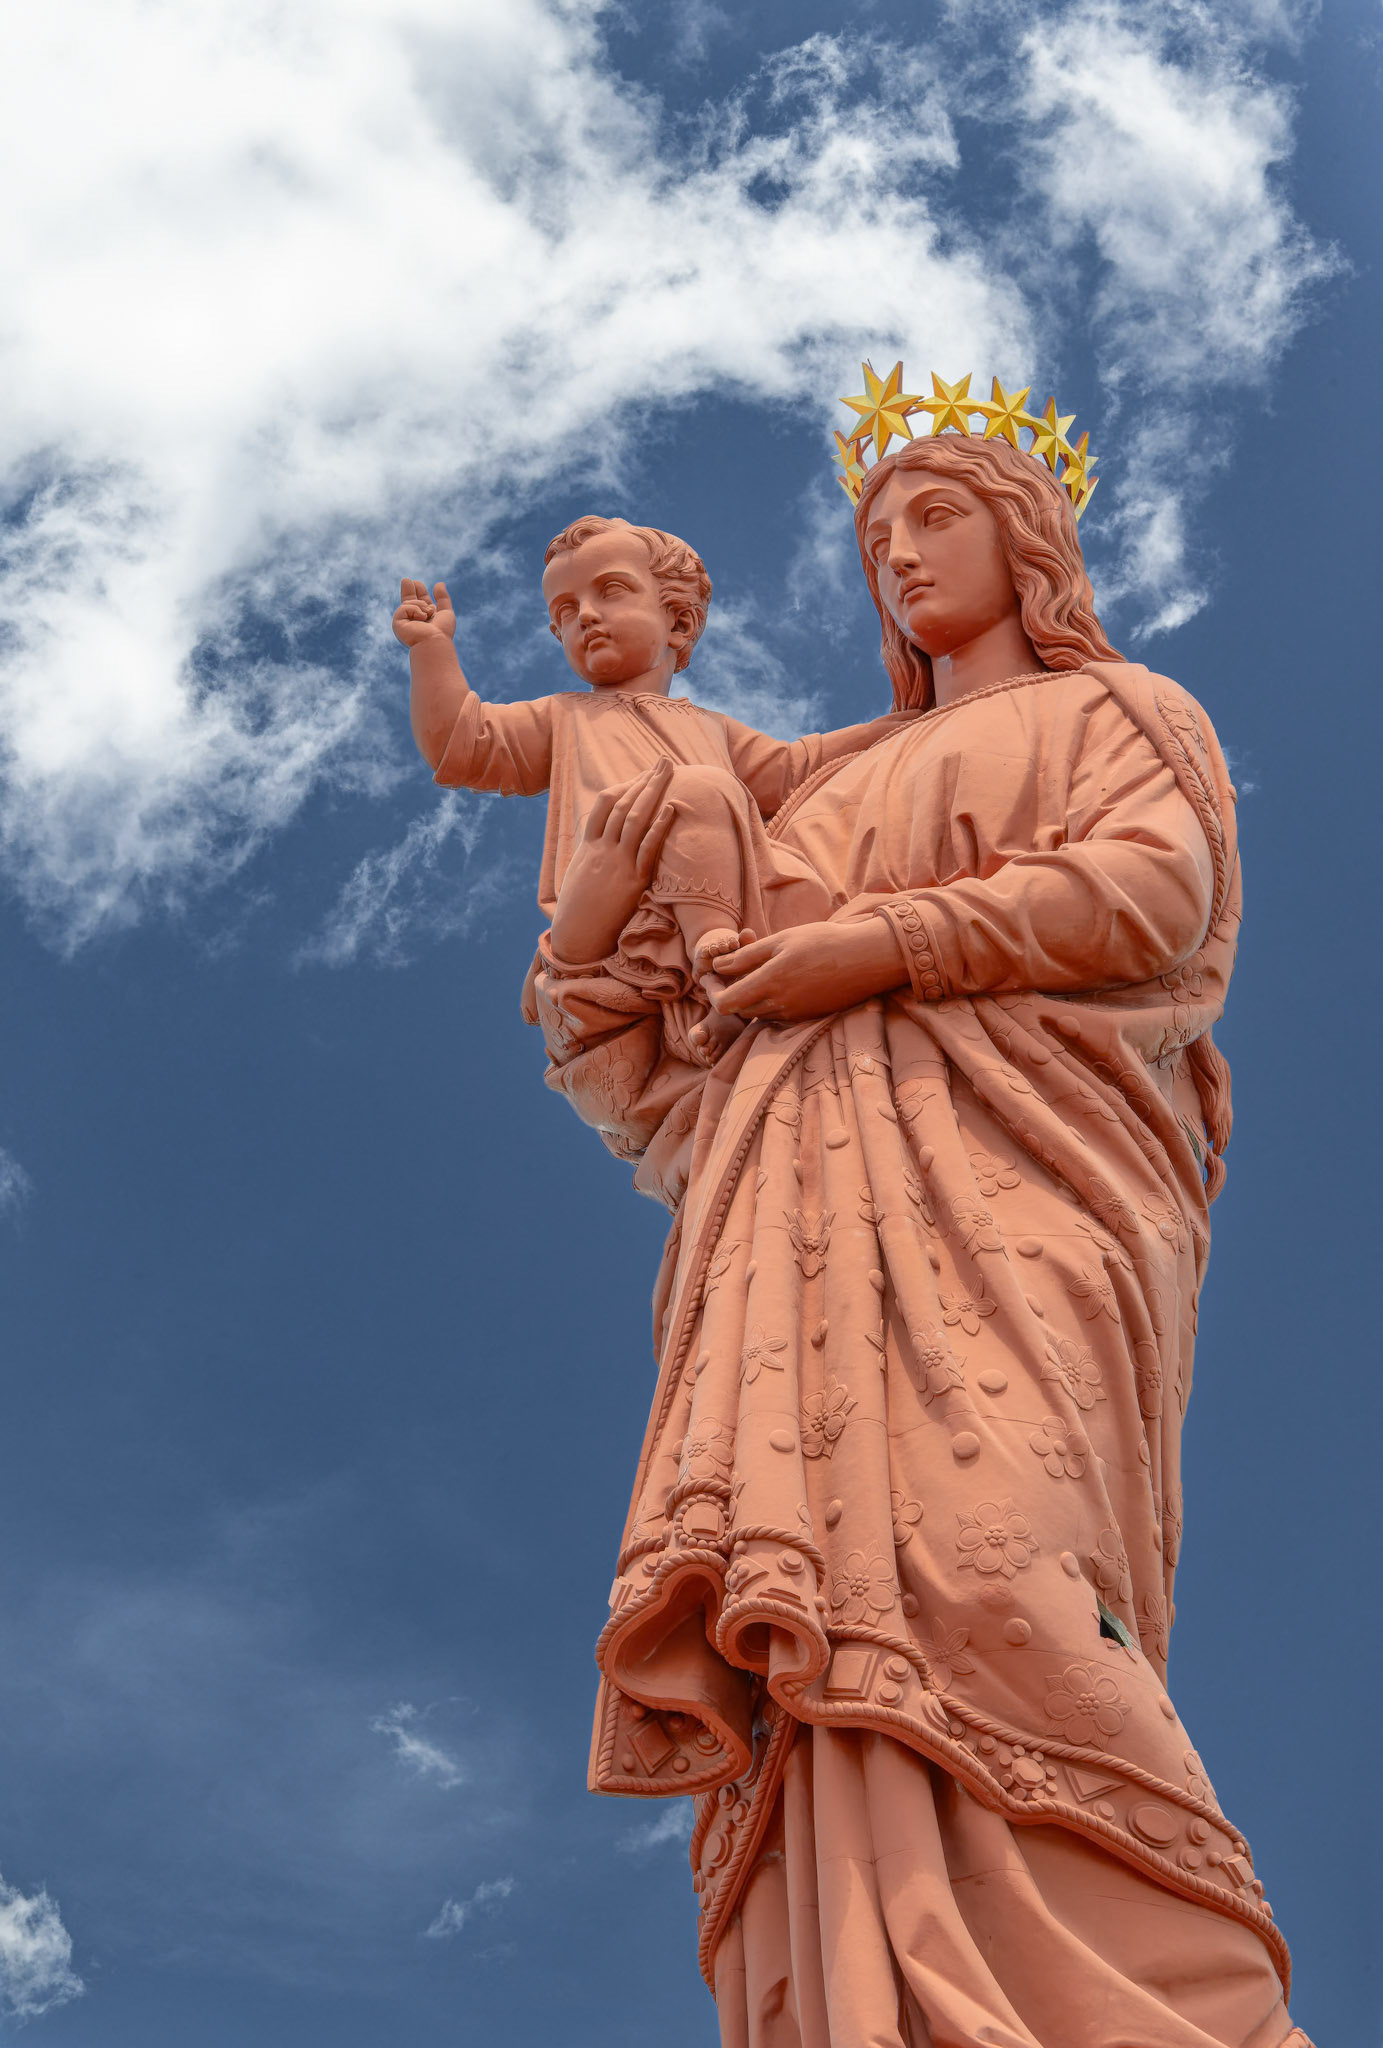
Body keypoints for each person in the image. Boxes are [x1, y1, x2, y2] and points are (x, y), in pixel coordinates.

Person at [527, 431, 1313, 2047]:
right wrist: (598, 940)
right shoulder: (810, 783)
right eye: (877, 533)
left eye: (933, 513)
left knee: (1001, 1568)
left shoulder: (1120, 714)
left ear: (1023, 535)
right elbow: (661, 1062)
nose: (898, 554)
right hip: (794, 1207)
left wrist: (874, 942)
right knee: (811, 1654)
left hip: (1028, 1183)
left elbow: (1149, 893)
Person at [393, 515, 906, 1063]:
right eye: (564, 612)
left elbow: (795, 767)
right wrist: (430, 648)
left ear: (679, 622)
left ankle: (723, 976)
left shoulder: (712, 729)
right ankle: (719, 964)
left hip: (725, 893)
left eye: (610, 591)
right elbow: (461, 742)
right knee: (698, 789)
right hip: (623, 906)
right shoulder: (565, 716)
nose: (585, 615)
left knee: (710, 796)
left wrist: (903, 723)